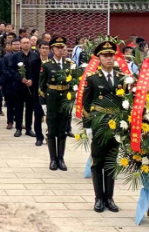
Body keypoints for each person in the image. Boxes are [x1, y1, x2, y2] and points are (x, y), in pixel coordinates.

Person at [81, 40, 122, 213]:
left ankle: (110, 198)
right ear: (99, 58)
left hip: (116, 125)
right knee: (97, 162)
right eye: (105, 56)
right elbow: (86, 103)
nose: (109, 59)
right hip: (99, 124)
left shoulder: (122, 78)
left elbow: (126, 101)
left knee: (111, 162)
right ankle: (99, 198)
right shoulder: (92, 79)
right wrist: (88, 126)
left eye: (111, 55)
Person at [39, 35, 73, 172]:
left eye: (62, 47)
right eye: (57, 47)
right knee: (52, 130)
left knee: (63, 130)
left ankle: (61, 158)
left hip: (65, 100)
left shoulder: (69, 64)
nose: (60, 50)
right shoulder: (46, 65)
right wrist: (43, 104)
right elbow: (41, 86)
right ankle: (53, 159)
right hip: (52, 100)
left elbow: (73, 84)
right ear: (52, 49)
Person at [8, 36, 38, 138]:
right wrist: (20, 79)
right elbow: (11, 70)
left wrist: (32, 80)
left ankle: (29, 128)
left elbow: (38, 70)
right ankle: (18, 128)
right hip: (18, 85)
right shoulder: (15, 56)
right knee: (18, 107)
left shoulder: (35, 55)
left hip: (31, 86)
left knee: (29, 108)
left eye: (27, 42)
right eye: (24, 43)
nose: (26, 44)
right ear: (20, 45)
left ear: (30, 44)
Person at [31, 41, 50, 147]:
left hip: (51, 94)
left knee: (50, 117)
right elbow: (33, 78)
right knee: (38, 116)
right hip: (38, 93)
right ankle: (39, 137)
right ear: (39, 49)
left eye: (47, 48)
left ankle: (49, 136)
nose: (45, 50)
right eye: (43, 48)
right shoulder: (34, 62)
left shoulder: (52, 62)